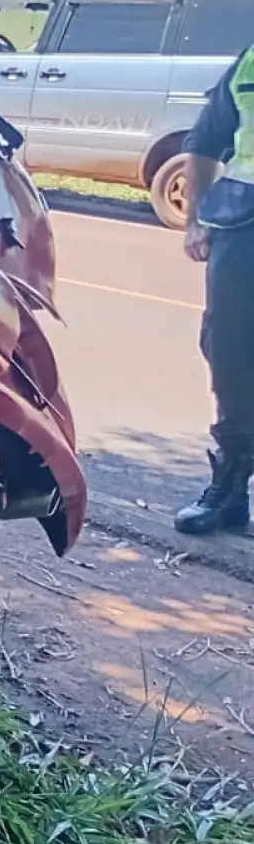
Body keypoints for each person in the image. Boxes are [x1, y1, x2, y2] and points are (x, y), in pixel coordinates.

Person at [174, 40, 254, 534]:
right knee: (231, 355)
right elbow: (205, 142)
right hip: (243, 226)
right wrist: (193, 221)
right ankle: (229, 488)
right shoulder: (249, 56)